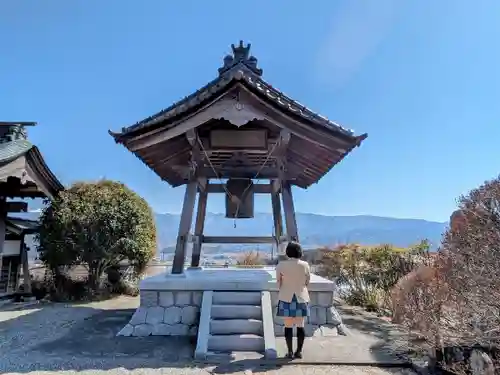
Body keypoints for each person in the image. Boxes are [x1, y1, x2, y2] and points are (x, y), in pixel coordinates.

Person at [275, 241, 311, 359]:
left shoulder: (281, 265)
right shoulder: (305, 265)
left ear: (287, 252)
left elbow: (278, 282)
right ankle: (299, 352)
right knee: (300, 325)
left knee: (288, 325)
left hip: (286, 297)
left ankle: (289, 352)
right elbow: (307, 281)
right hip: (301, 297)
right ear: (300, 252)